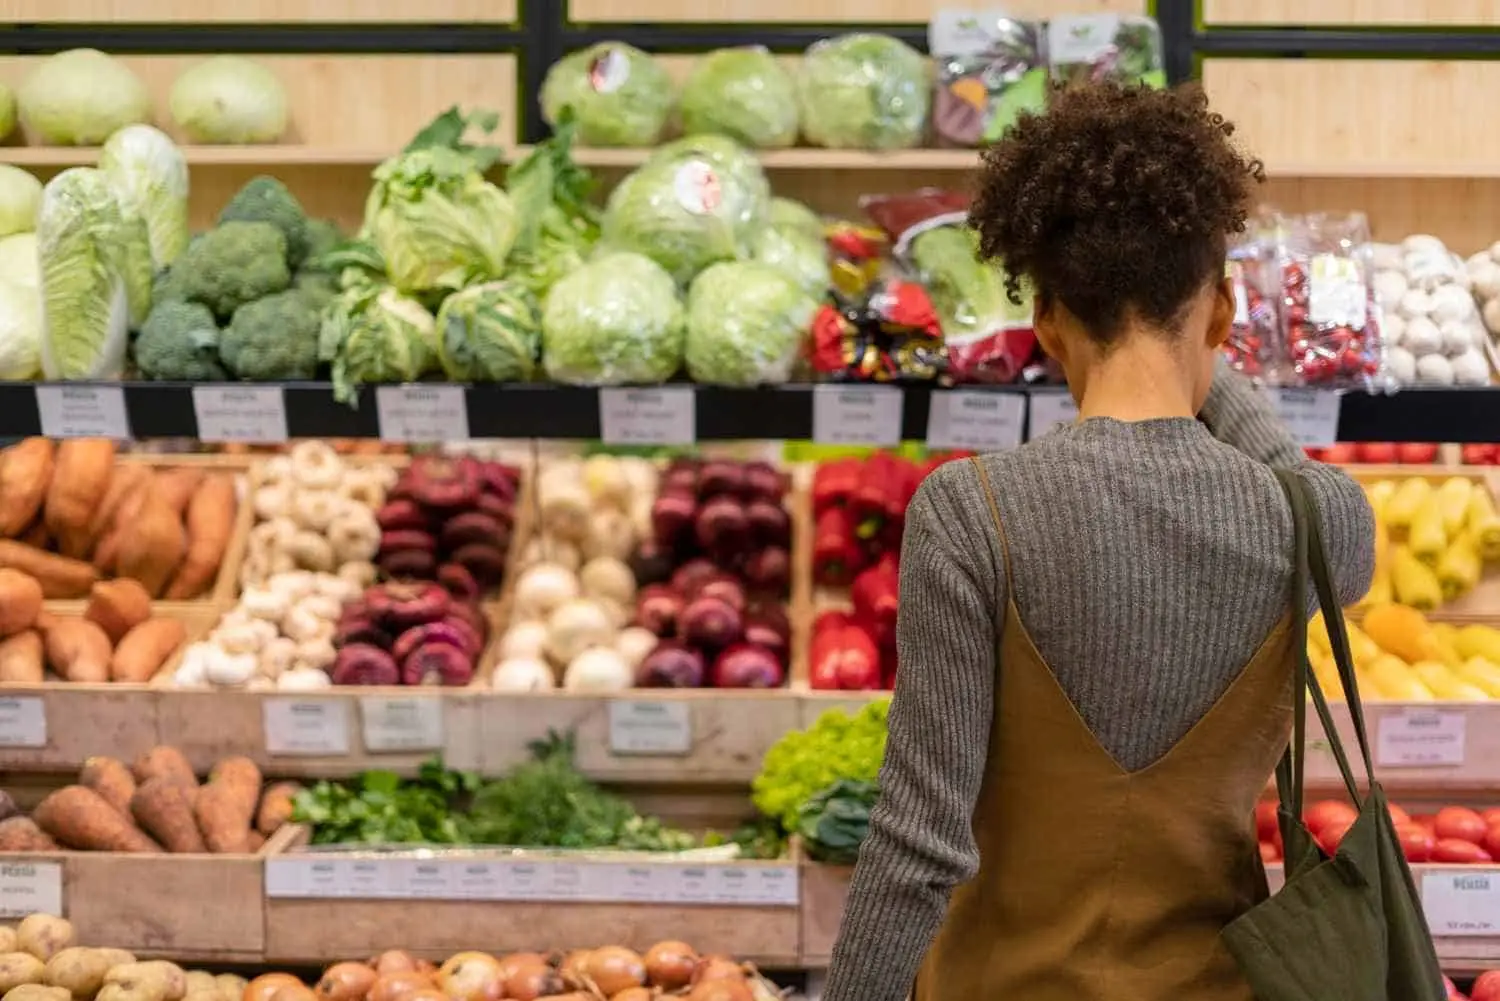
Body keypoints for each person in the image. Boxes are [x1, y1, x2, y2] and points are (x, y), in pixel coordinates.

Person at [819, 83, 1375, 1001]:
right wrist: (1200, 347)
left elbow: (919, 844)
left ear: (1044, 318)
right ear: (1224, 314)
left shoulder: (970, 511)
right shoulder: (1316, 523)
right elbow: (1299, 480)